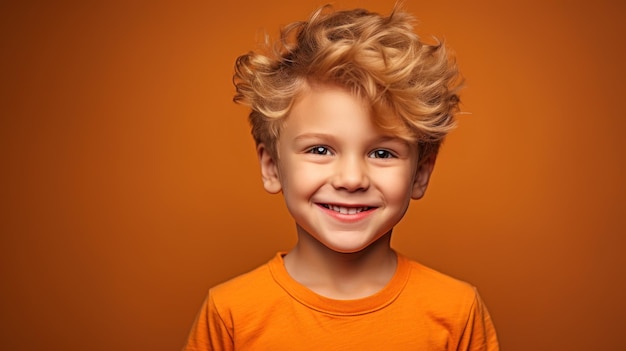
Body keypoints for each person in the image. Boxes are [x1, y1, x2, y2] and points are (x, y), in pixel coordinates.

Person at [184, 4, 499, 350]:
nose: (351, 179)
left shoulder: (456, 312)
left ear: (421, 174)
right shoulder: (230, 314)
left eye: (382, 153)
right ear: (271, 166)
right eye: (320, 150)